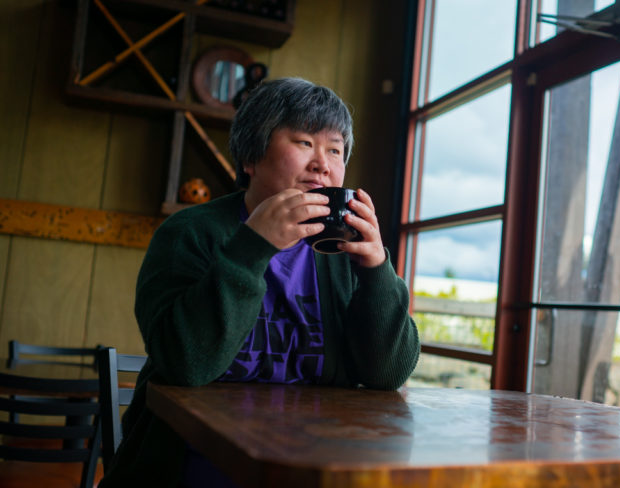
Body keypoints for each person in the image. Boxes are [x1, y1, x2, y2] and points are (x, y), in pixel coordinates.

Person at [99, 77, 420, 487]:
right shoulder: (191, 233)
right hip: (190, 458)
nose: (323, 162)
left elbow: (387, 374)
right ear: (252, 156)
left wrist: (377, 271)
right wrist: (253, 247)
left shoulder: (341, 252)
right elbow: (184, 363)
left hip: (314, 459)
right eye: (304, 142)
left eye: (335, 149)